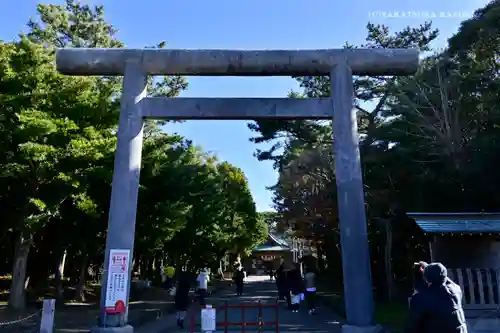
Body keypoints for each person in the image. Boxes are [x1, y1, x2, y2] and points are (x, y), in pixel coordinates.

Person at [405, 262, 467, 333]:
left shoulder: (420, 298)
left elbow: (412, 326)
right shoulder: (456, 290)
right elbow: (442, 278)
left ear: (427, 278)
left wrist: (427, 272)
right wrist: (431, 270)